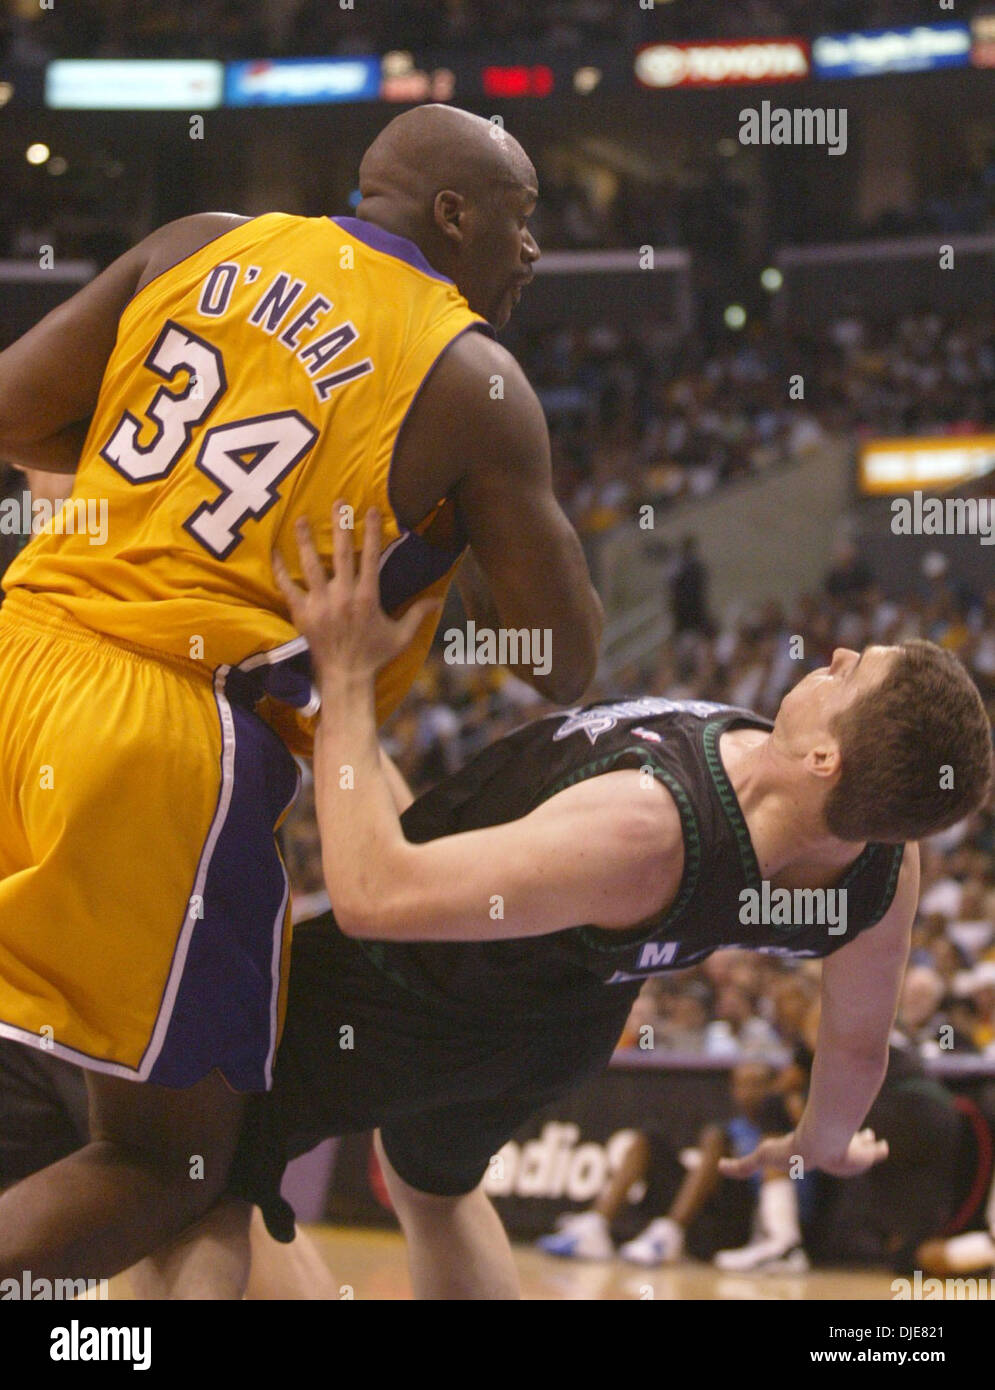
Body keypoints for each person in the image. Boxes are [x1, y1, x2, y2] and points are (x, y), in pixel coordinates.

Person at [0, 104, 603, 1286]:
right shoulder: (471, 378)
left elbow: (15, 410)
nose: (533, 248)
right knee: (172, 1169)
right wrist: (462, 526)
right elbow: (559, 656)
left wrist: (164, 473)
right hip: (167, 729)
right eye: (523, 218)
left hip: (22, 649)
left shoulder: (199, 241)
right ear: (452, 213)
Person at [118, 508, 990, 1298]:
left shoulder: (648, 830)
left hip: (417, 993)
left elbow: (375, 895)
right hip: (553, 1029)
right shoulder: (883, 858)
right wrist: (822, 1139)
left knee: (191, 1170)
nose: (836, 655)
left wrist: (345, 682)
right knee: (433, 1190)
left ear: (824, 762)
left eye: (852, 675)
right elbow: (853, 1041)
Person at [535, 1061, 807, 1272]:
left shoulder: (784, 1126)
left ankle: (670, 1234)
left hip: (745, 1224)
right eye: (742, 1084)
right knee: (649, 1139)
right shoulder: (732, 1129)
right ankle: (596, 1226)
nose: (748, 1092)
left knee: (715, 1138)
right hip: (709, 1217)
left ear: (773, 1088)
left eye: (757, 1083)